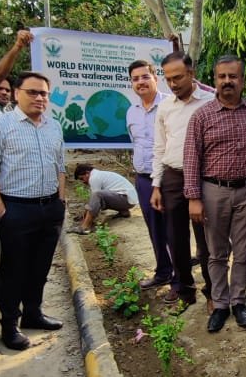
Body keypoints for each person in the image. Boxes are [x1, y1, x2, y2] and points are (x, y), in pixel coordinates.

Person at [0, 71, 67, 351]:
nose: (40, 98)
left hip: (49, 208)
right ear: (17, 93)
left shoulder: (54, 127)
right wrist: (3, 212)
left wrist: (60, 202)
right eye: (33, 92)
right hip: (16, 210)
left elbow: (60, 166)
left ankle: (33, 313)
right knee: (14, 271)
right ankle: (9, 326)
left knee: (40, 268)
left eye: (44, 94)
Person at [182, 55, 246, 332]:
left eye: (233, 76)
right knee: (215, 253)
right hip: (213, 191)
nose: (227, 81)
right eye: (222, 76)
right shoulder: (201, 116)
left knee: (243, 251)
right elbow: (191, 158)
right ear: (215, 80)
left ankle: (239, 302)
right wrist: (193, 197)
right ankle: (220, 303)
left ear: (243, 80)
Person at [151, 52, 213, 310]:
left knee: (207, 241)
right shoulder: (165, 107)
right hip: (173, 178)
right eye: (168, 79)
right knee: (176, 238)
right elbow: (159, 147)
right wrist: (157, 185)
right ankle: (185, 289)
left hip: (204, 178)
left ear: (191, 73)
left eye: (178, 77)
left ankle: (213, 292)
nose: (173, 84)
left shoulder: (210, 102)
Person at [125, 59, 173, 288]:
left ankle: (181, 279)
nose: (140, 82)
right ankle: (163, 272)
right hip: (143, 179)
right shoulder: (131, 112)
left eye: (145, 77)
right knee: (154, 228)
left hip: (168, 179)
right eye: (135, 79)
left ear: (156, 78)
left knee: (173, 228)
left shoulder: (170, 105)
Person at [70, 164, 138, 232]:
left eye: (82, 178)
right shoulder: (98, 174)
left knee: (97, 195)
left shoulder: (94, 178)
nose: (83, 181)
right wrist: (83, 216)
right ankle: (124, 212)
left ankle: (85, 227)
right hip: (128, 199)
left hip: (126, 199)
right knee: (101, 197)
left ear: (87, 173)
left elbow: (94, 200)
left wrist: (85, 218)